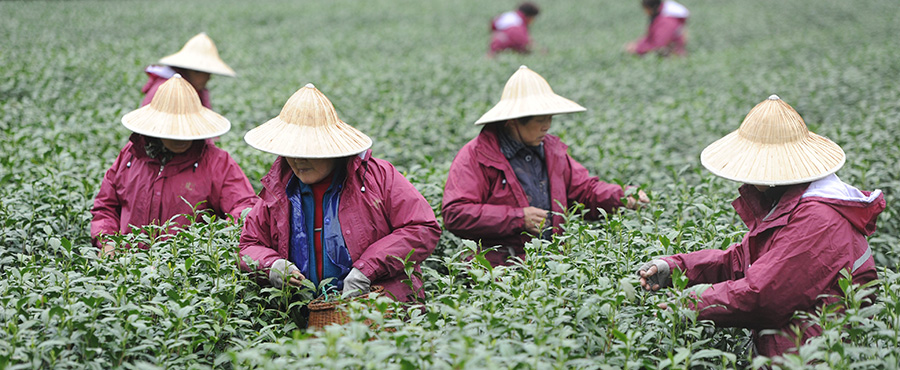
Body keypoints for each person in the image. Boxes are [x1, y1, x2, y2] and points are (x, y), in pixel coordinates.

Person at [638, 95, 885, 358]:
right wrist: (676, 268)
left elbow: (763, 295)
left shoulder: (817, 219)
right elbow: (741, 260)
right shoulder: (790, 203)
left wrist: (687, 304)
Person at [238, 84, 441, 301]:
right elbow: (249, 245)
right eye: (292, 150)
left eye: (308, 150)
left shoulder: (378, 177)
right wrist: (273, 265)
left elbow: (422, 228)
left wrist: (367, 269)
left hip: (379, 310)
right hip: (306, 316)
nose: (298, 159)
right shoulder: (279, 188)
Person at [442, 65, 649, 267]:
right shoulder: (477, 156)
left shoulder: (551, 150)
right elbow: (456, 213)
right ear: (513, 121)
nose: (547, 125)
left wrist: (622, 196)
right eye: (541, 119)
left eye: (549, 118)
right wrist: (518, 218)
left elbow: (585, 191)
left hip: (551, 267)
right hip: (498, 272)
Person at [91, 75, 257, 255]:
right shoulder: (131, 156)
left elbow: (243, 207)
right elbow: (106, 206)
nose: (180, 137)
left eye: (185, 128)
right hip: (128, 268)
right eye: (172, 129)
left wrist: (214, 246)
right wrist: (107, 241)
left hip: (185, 272)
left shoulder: (217, 162)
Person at [141, 33, 236, 109]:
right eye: (207, 73)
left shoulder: (195, 90)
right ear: (194, 71)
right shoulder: (169, 90)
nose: (209, 78)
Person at [625, 0, 689, 57]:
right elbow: (651, 38)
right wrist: (637, 45)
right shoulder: (661, 17)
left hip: (671, 57)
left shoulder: (665, 22)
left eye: (645, 9)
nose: (645, 12)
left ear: (649, 8)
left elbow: (659, 46)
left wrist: (637, 49)